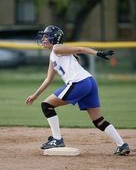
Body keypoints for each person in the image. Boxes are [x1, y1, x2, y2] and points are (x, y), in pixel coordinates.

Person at [26, 25, 130, 155]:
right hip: (89, 82)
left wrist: (97, 53)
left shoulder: (57, 48)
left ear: (54, 38)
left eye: (46, 36)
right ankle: (122, 145)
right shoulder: (53, 55)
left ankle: (57, 139)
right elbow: (48, 79)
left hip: (79, 83)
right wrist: (35, 95)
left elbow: (80, 48)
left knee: (47, 105)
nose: (43, 38)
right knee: (99, 121)